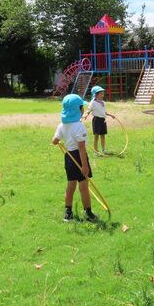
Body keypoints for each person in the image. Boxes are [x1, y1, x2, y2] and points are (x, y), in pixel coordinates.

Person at [52, 94, 98, 222]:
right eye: (81, 107)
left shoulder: (61, 125)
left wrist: (58, 140)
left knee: (70, 185)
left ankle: (68, 213)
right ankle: (88, 213)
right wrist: (84, 166)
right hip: (79, 157)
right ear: (77, 110)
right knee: (83, 187)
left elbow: (54, 141)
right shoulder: (79, 126)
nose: (83, 109)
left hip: (69, 157)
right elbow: (82, 148)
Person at [82, 85, 116, 155]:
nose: (102, 95)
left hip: (103, 120)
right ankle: (96, 151)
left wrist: (110, 115)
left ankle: (104, 150)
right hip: (97, 120)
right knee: (96, 136)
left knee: (103, 135)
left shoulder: (103, 102)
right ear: (96, 94)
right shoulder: (93, 103)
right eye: (101, 94)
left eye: (103, 93)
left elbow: (104, 112)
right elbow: (89, 110)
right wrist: (86, 115)